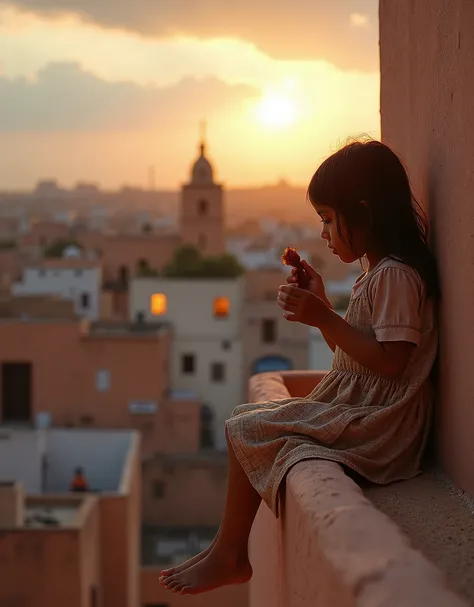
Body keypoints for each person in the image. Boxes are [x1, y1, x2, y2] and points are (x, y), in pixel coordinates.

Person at [159, 139, 439, 595]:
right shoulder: (377, 273)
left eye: (329, 220)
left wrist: (323, 316)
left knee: (245, 429)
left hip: (384, 424)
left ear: (364, 213)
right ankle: (223, 549)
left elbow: (391, 363)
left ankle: (230, 554)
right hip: (364, 406)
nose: (325, 234)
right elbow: (354, 356)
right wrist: (324, 306)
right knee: (246, 421)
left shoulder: (395, 276)